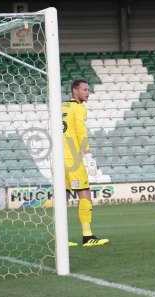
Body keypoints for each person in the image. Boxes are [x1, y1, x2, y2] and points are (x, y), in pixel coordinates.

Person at [62, 79, 109, 247]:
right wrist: (87, 155)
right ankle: (87, 236)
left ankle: (60, 238)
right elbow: (81, 132)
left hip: (59, 156)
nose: (87, 93)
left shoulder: (62, 106)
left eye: (88, 90)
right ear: (75, 90)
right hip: (73, 157)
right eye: (84, 89)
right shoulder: (79, 107)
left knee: (63, 197)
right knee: (85, 193)